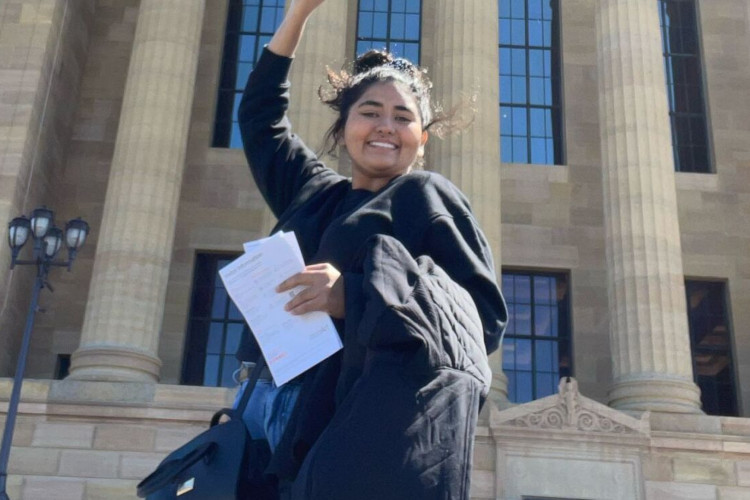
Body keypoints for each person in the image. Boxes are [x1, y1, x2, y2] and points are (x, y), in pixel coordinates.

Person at [233, 0, 508, 498]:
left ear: (421, 140)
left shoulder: (427, 197)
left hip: (343, 410)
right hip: (258, 400)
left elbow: (479, 319)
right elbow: (258, 117)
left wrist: (354, 296)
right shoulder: (313, 192)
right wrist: (297, 15)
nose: (385, 125)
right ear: (343, 130)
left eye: (403, 117)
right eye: (370, 112)